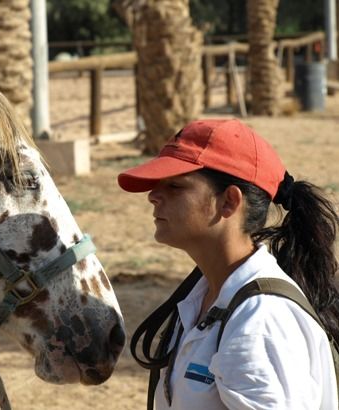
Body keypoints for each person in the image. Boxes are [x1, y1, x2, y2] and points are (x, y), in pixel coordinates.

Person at [118, 119, 338, 409]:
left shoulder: (260, 325)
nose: (153, 197)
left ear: (229, 202)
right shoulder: (204, 298)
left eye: (174, 186)